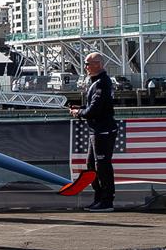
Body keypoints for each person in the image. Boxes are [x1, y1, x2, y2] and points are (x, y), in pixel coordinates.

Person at [69, 52, 117, 212]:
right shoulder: (96, 82)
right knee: (91, 166)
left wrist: (79, 113)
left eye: (88, 64)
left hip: (103, 131)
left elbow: (95, 110)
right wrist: (81, 109)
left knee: (102, 165)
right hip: (96, 130)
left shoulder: (102, 83)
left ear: (98, 64)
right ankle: (99, 198)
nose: (85, 67)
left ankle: (107, 200)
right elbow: (94, 107)